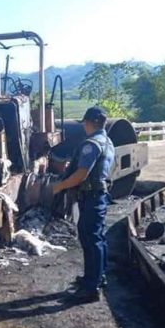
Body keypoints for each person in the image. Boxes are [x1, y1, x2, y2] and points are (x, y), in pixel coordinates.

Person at [52, 107, 115, 303]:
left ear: (90, 122)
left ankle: (90, 287)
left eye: (85, 122)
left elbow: (81, 174)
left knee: (90, 238)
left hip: (91, 196)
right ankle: (97, 277)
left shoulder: (92, 144)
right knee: (98, 237)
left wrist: (59, 186)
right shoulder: (107, 140)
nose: (84, 126)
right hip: (99, 195)